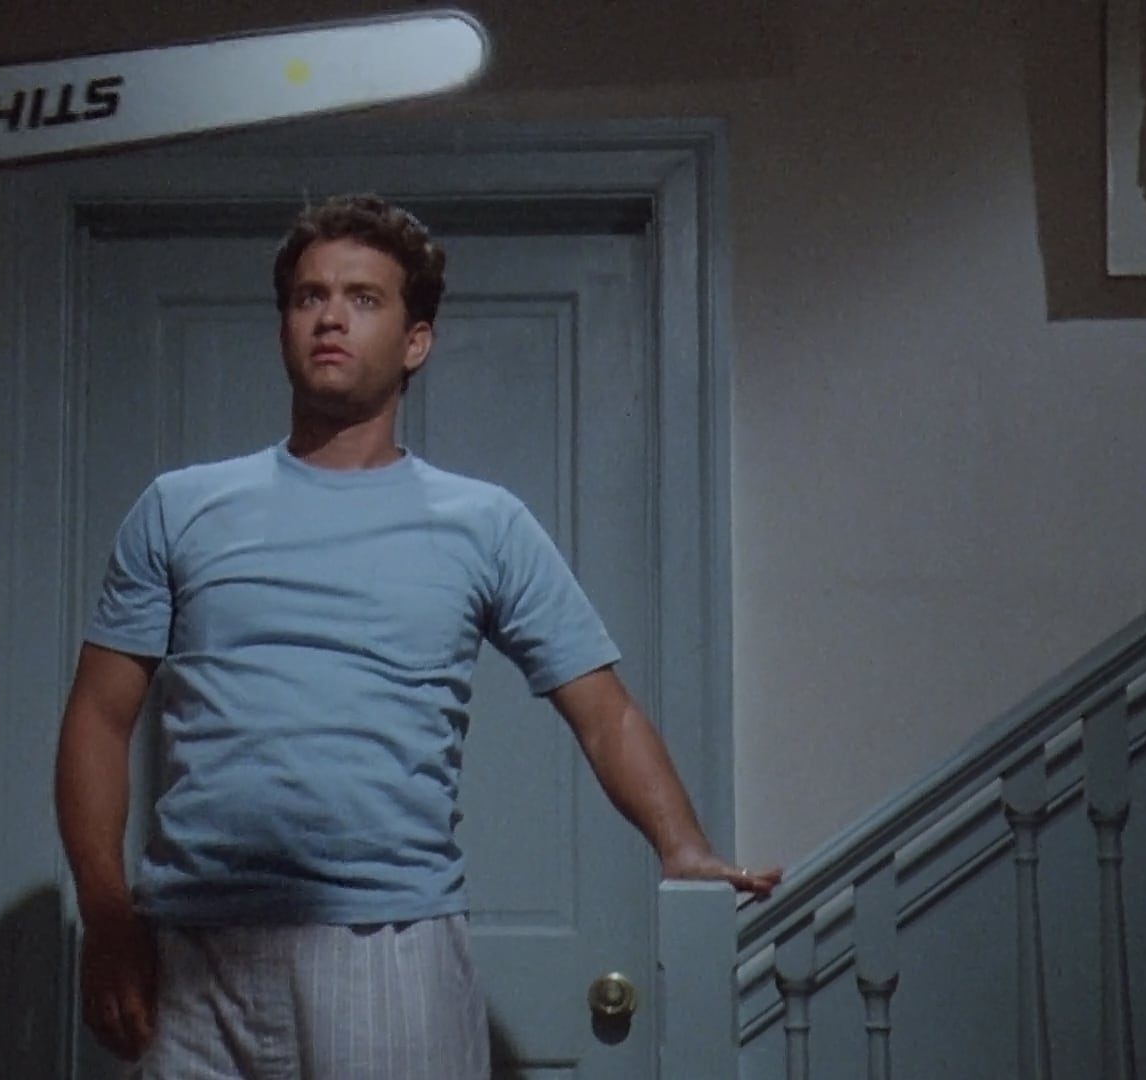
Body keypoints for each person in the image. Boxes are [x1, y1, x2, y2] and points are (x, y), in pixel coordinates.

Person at [54, 194, 782, 1079]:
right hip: (192, 954)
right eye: (310, 296)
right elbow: (98, 718)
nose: (330, 317)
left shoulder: (485, 524)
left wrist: (683, 846)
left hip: (390, 943)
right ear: (284, 325)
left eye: (363, 299)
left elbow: (604, 712)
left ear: (415, 342)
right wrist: (107, 917)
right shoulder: (180, 507)